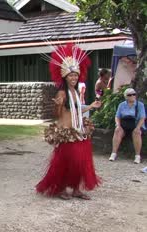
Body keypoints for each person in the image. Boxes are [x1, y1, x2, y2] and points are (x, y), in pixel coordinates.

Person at [36, 43, 102, 200]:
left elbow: (76, 111)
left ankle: (76, 189)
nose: (74, 78)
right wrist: (58, 106)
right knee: (66, 163)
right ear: (65, 77)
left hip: (78, 131)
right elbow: (58, 114)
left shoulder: (75, 91)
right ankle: (60, 189)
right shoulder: (62, 93)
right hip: (67, 133)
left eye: (75, 75)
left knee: (80, 163)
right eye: (71, 76)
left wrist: (91, 106)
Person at [109, 88, 145, 164]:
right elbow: (117, 116)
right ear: (126, 97)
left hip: (135, 124)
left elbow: (142, 117)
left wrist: (138, 127)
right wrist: (118, 125)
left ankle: (137, 156)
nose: (132, 96)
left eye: (133, 94)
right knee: (117, 131)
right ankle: (113, 153)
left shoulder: (140, 105)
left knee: (137, 133)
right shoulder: (121, 105)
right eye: (130, 95)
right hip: (124, 124)